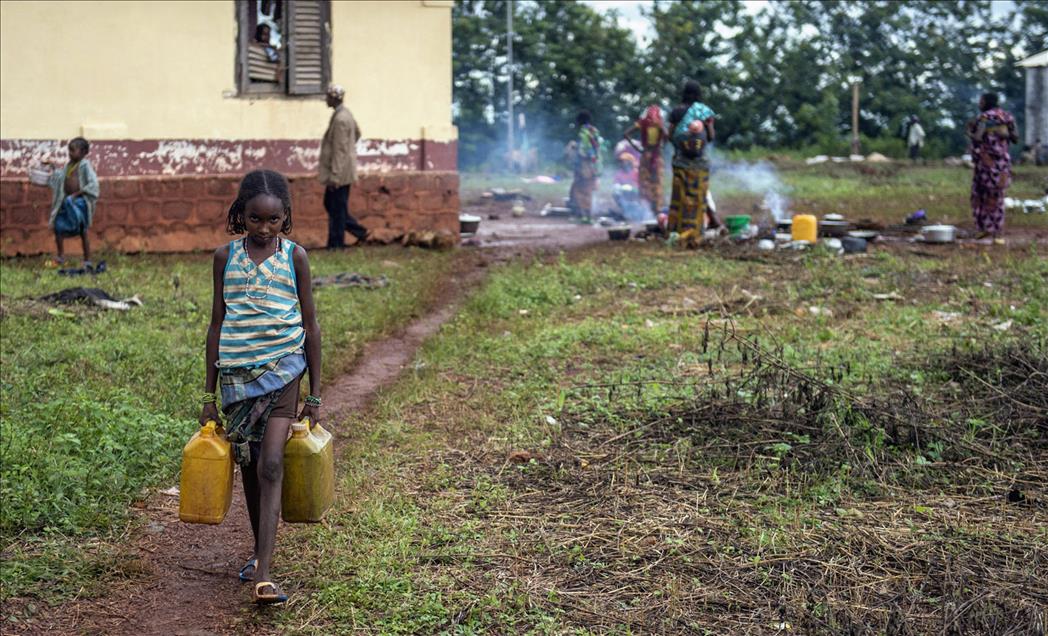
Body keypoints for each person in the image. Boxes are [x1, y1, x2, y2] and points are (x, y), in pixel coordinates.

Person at [199, 169, 323, 605]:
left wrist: (315, 393)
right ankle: (258, 552)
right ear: (241, 215)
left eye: (273, 220)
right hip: (236, 380)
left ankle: (265, 575)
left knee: (271, 463)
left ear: (285, 217)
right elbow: (216, 325)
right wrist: (208, 395)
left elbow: (310, 325)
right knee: (249, 466)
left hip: (285, 371)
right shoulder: (223, 258)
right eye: (255, 219)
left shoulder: (295, 257)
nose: (265, 228)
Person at [667, 80, 719, 246]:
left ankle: (675, 231)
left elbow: (670, 136)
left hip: (680, 162)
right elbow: (710, 137)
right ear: (699, 94)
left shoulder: (676, 111)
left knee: (679, 196)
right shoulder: (704, 111)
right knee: (698, 198)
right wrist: (707, 125)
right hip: (700, 164)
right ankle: (696, 233)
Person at [36, 137, 99, 269]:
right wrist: (51, 167)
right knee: (58, 227)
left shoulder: (85, 166)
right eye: (69, 150)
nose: (70, 153)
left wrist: (76, 194)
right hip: (66, 203)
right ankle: (60, 257)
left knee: (82, 231)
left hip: (79, 204)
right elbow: (60, 177)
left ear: (83, 153)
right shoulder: (69, 165)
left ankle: (87, 260)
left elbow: (93, 184)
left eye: (73, 150)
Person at [319, 83, 368, 248]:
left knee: (336, 208)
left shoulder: (340, 119)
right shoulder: (345, 114)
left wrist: (335, 176)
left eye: (328, 96)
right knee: (333, 205)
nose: (326, 99)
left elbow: (339, 150)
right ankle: (359, 232)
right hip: (344, 169)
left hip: (339, 172)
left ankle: (336, 245)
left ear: (333, 98)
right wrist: (349, 151)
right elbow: (357, 133)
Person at [966, 92, 1018, 245]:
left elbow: (977, 138)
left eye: (981, 101)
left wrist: (969, 132)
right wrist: (1003, 133)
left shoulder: (984, 118)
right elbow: (1015, 137)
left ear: (986, 102)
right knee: (997, 197)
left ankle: (984, 229)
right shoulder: (1007, 117)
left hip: (985, 163)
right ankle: (997, 233)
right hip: (1002, 164)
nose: (979, 104)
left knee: (980, 195)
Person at [623, 105, 668, 216]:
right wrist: (662, 146)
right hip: (657, 156)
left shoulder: (642, 123)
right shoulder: (659, 123)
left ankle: (646, 209)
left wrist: (637, 148)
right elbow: (667, 135)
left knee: (644, 182)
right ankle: (657, 210)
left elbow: (626, 134)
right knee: (657, 182)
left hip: (645, 154)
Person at [568, 110, 602, 222]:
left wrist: (574, 147)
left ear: (579, 121)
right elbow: (597, 150)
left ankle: (584, 216)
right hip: (594, 166)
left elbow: (583, 151)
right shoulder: (595, 131)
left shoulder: (584, 132)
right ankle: (588, 215)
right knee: (588, 190)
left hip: (584, 165)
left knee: (580, 189)